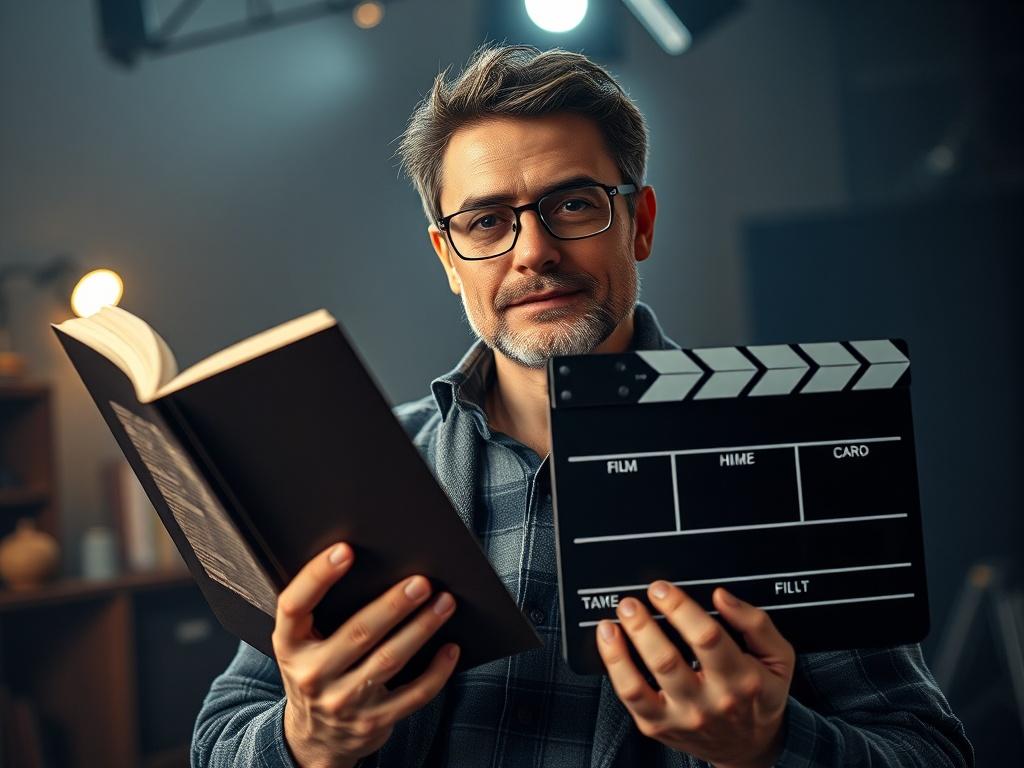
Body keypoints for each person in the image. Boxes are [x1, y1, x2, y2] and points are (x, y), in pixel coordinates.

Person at [191, 45, 973, 768]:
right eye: (486, 222)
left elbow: (929, 751)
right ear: (449, 259)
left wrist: (768, 745)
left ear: (640, 223)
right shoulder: (363, 471)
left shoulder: (780, 456)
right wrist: (305, 737)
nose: (533, 252)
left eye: (571, 204)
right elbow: (220, 736)